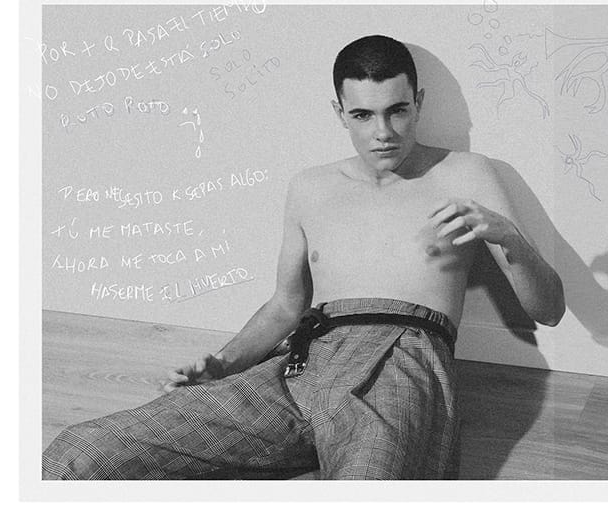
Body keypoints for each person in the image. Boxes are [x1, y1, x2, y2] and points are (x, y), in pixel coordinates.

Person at [42, 35, 565, 480]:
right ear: (339, 113)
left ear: (418, 103)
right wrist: (222, 364)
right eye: (362, 115)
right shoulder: (311, 187)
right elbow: (285, 305)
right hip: (300, 361)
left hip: (401, 362)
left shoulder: (467, 173)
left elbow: (549, 309)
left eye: (397, 111)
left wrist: (510, 238)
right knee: (80, 453)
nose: (383, 132)